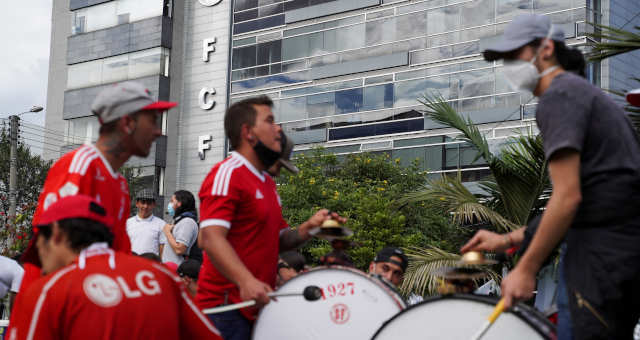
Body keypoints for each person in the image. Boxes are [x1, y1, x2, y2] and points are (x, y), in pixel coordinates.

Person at [466, 13, 640, 339]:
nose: (508, 66)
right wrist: (506, 240)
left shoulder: (558, 97)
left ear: (545, 48)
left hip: (597, 262)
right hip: (620, 257)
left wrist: (526, 269)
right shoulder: (588, 96)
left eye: (513, 55)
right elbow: (593, 196)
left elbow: (567, 196)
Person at [196, 96, 345, 340]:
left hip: (255, 309)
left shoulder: (266, 183)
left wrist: (311, 227)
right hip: (223, 311)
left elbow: (278, 241)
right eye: (270, 121)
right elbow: (210, 238)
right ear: (248, 132)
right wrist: (246, 281)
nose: (279, 129)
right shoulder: (227, 173)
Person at [16, 82, 176, 298]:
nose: (158, 131)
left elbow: (118, 251)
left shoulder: (119, 183)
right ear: (128, 123)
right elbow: (54, 247)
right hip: (54, 304)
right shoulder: (81, 166)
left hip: (88, 300)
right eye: (152, 121)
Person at [7, 195, 221, 340]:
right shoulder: (163, 277)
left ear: (56, 236)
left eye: (39, 247)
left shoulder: (48, 291)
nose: (41, 259)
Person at [160, 190, 199, 265]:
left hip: (178, 270)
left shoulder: (187, 222)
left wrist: (167, 232)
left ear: (180, 203)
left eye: (172, 201)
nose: (169, 204)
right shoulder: (180, 221)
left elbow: (180, 249)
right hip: (170, 269)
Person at [126, 188, 165, 256]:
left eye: (149, 203)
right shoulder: (128, 223)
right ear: (137, 204)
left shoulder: (161, 224)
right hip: (131, 263)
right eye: (143, 202)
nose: (145, 206)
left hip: (151, 264)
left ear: (154, 205)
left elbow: (162, 247)